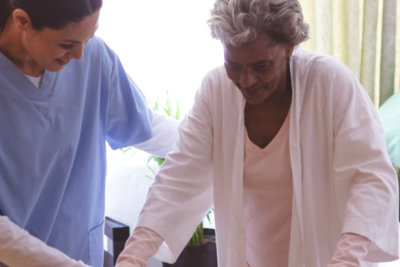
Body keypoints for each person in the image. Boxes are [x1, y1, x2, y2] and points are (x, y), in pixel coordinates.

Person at [115, 0, 399, 266]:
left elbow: (371, 180)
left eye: (261, 66)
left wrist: (347, 259)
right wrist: (133, 257)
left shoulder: (330, 83)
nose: (246, 80)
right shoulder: (216, 91)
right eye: (233, 65)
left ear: (289, 47)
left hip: (326, 256)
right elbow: (177, 179)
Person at [0, 0, 178, 266]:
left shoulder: (94, 58)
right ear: (22, 21)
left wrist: (227, 144)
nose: (80, 55)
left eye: (89, 37)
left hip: (78, 249)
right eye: (66, 44)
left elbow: (146, 126)